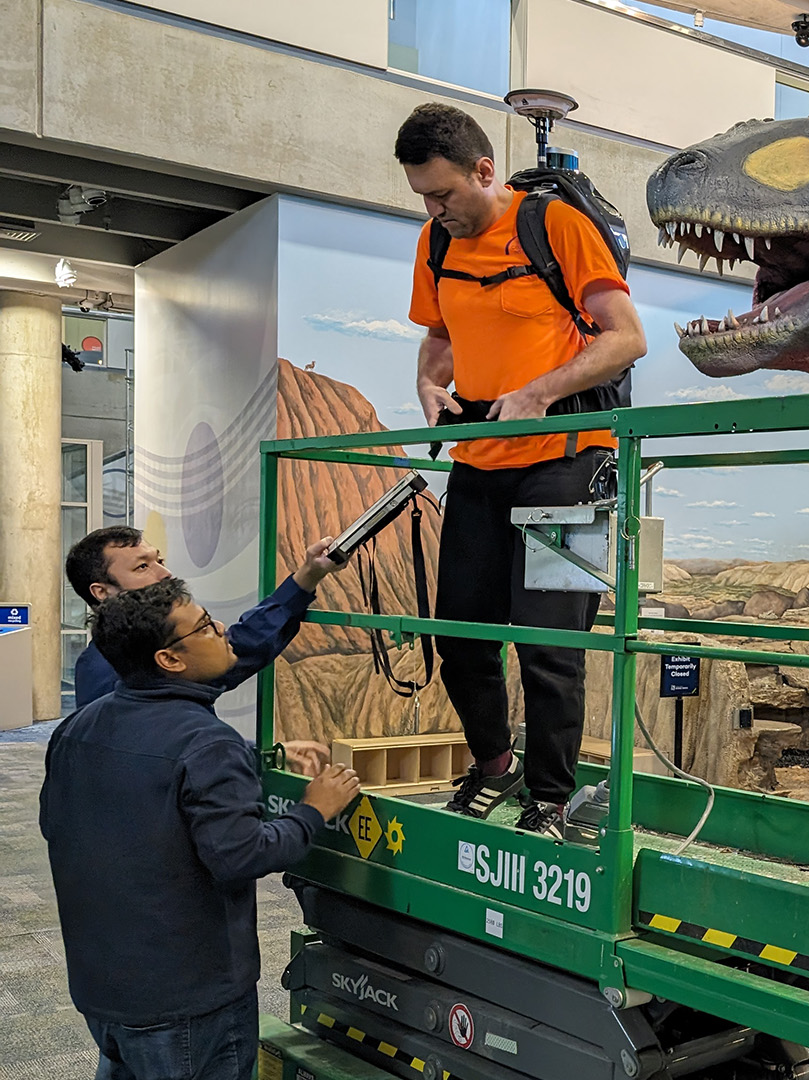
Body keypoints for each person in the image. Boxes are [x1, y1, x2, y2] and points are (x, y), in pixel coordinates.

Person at [395, 103, 647, 838]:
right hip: (481, 461)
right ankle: (496, 766)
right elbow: (440, 336)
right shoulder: (435, 243)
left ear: (484, 170)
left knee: (549, 645)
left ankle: (551, 799)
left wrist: (541, 392)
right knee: (462, 637)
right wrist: (428, 386)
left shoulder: (556, 227)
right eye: (423, 199)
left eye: (445, 195)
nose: (436, 211)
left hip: (572, 463)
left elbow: (627, 339)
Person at [42, 578, 362, 1080]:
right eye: (208, 627)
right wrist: (314, 810)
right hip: (188, 1002)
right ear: (170, 660)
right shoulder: (206, 743)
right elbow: (242, 857)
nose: (224, 635)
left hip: (102, 988)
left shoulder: (77, 728)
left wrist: (248, 765)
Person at [64, 525, 346, 773]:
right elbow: (150, 758)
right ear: (101, 592)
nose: (165, 573)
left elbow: (241, 646)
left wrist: (308, 575)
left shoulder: (156, 659)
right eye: (142, 567)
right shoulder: (105, 673)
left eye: (159, 560)